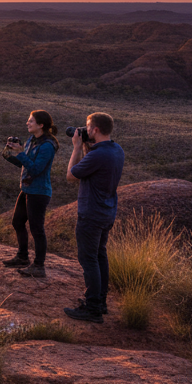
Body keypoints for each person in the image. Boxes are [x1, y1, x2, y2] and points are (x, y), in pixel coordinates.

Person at [63, 112, 124, 323]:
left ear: (95, 130)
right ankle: (101, 302)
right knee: (99, 257)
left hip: (91, 213)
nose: (85, 130)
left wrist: (77, 147)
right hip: (107, 211)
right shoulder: (117, 150)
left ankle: (92, 308)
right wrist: (88, 144)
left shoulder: (97, 155)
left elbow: (71, 176)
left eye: (88, 128)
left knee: (88, 259)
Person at [1, 110, 58, 278]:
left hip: (39, 192)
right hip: (27, 189)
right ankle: (22, 257)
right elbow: (24, 165)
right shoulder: (31, 141)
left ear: (41, 125)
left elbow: (35, 169)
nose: (27, 123)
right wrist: (9, 154)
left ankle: (39, 266)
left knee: (37, 229)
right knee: (17, 222)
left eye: (31, 121)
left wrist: (20, 153)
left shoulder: (47, 146)